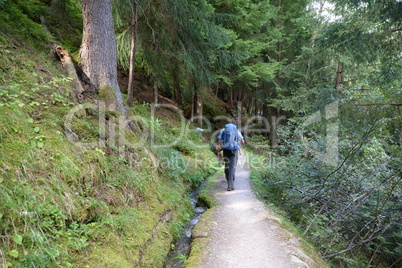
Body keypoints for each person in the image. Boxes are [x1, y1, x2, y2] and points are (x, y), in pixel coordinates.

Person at [218, 119, 244, 191]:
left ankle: (229, 179)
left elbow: (220, 141)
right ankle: (230, 185)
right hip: (234, 150)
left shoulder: (223, 130)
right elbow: (242, 141)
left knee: (227, 166)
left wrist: (218, 151)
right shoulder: (236, 131)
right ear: (235, 125)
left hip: (225, 150)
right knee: (232, 167)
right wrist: (239, 143)